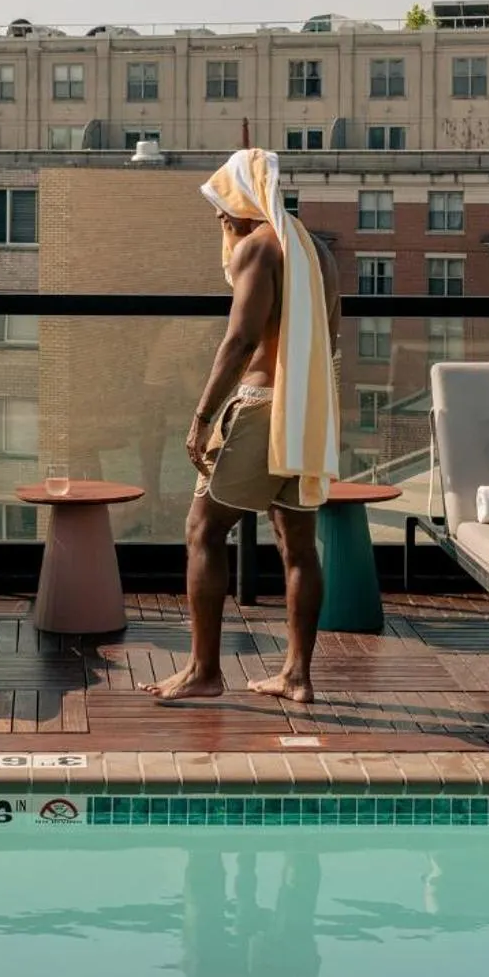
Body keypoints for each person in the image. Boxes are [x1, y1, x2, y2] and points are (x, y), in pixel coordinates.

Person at [144, 147, 340, 705]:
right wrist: (314, 410)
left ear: (243, 199)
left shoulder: (260, 247)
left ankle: (205, 671)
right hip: (308, 411)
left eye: (221, 205)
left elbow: (241, 340)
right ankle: (297, 675)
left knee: (203, 529)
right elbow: (333, 336)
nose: (219, 219)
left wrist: (203, 415)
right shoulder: (316, 250)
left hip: (259, 405)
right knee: (298, 545)